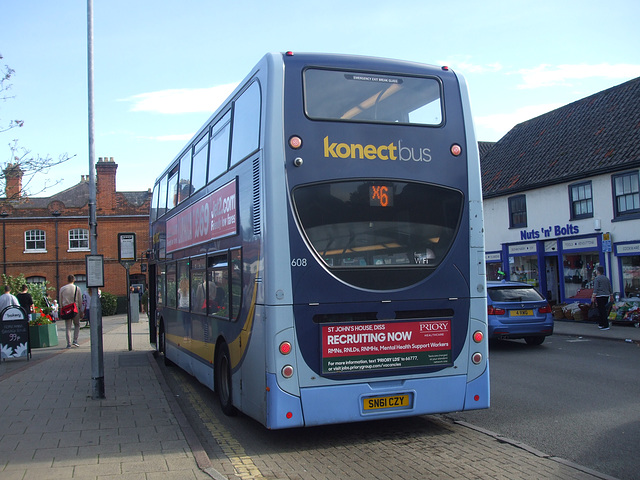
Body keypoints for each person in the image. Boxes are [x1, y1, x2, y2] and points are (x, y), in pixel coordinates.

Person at [59, 274, 84, 348]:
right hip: (75, 308)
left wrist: (61, 307)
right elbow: (80, 300)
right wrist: (81, 310)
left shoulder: (62, 288)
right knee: (77, 324)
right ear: (74, 280)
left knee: (68, 327)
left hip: (66, 309)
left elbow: (60, 300)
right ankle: (75, 340)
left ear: (67, 280)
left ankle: (68, 343)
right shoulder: (77, 288)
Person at [591, 266, 614, 330]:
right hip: (606, 295)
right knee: (603, 309)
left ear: (598, 271)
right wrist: (611, 295)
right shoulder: (606, 278)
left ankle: (605, 325)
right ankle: (601, 324)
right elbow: (609, 287)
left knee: (601, 310)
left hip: (600, 296)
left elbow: (596, 288)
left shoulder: (597, 279)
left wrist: (593, 296)